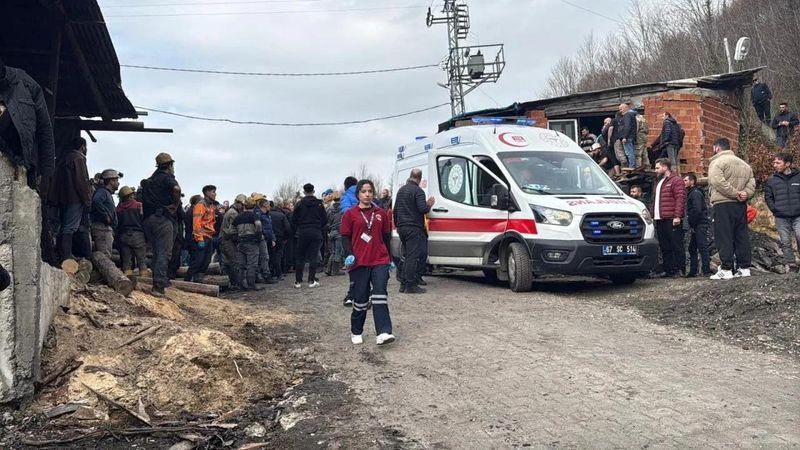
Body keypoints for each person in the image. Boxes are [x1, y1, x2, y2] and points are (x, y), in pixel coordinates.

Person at [341, 179, 395, 346]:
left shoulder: (380, 213)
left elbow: (386, 237)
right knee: (361, 299)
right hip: (359, 262)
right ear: (358, 194)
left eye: (370, 191)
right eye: (364, 191)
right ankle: (356, 330)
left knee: (379, 295)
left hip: (379, 260)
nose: (367, 194)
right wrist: (349, 254)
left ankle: (384, 332)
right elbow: (345, 237)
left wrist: (390, 258)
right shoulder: (350, 214)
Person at [707, 138, 755, 280]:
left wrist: (735, 193)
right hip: (740, 205)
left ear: (717, 148)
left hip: (722, 204)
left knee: (724, 236)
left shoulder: (717, 162)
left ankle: (727, 269)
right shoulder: (745, 164)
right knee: (741, 235)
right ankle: (744, 268)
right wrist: (744, 193)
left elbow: (717, 181)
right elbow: (752, 182)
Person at [141, 152, 182, 297]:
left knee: (157, 253)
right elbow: (176, 189)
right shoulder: (167, 178)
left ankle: (158, 281)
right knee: (163, 254)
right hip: (162, 220)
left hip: (148, 220)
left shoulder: (150, 180)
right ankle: (158, 287)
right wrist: (175, 205)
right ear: (170, 165)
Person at [48, 137, 91, 262]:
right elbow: (81, 181)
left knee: (64, 225)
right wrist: (86, 199)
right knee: (70, 227)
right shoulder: (78, 158)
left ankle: (64, 254)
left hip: (64, 198)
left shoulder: (65, 158)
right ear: (82, 146)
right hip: (75, 198)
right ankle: (66, 255)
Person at [394, 168, 435, 294]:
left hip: (402, 227)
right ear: (419, 178)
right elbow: (422, 209)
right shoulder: (418, 191)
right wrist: (429, 204)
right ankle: (410, 285)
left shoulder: (401, 191)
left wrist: (398, 225)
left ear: (410, 176)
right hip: (413, 227)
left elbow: (396, 210)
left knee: (406, 255)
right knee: (412, 257)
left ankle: (403, 283)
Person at [650, 158, 685, 277]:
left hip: (671, 218)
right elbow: (654, 200)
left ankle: (679, 269)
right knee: (665, 246)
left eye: (657, 168)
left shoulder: (676, 180)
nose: (656, 170)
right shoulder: (658, 181)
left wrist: (677, 216)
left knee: (676, 245)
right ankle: (668, 269)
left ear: (665, 167)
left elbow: (680, 198)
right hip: (660, 218)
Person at [765, 152, 800, 272]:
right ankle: (791, 265)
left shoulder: (798, 177)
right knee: (785, 241)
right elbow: (768, 197)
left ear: (788, 164)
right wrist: (775, 209)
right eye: (774, 162)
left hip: (798, 216)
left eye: (778, 162)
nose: (774, 165)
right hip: (781, 217)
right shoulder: (771, 180)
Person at [292, 183, 327, 288]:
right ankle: (311, 280)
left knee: (300, 256)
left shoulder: (299, 204)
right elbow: (324, 219)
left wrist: (300, 226)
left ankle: (298, 281)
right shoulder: (319, 204)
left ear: (304, 192)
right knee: (313, 256)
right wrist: (319, 226)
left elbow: (293, 219)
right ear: (313, 191)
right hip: (315, 231)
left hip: (303, 231)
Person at [185, 185, 217, 283]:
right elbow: (197, 223)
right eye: (213, 192)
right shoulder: (201, 205)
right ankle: (187, 280)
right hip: (202, 237)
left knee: (206, 261)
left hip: (208, 236)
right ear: (207, 193)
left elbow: (210, 221)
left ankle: (198, 280)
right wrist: (199, 238)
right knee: (198, 261)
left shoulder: (211, 205)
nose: (215, 194)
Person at [683, 173, 711, 277]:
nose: (684, 182)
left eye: (686, 180)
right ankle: (693, 271)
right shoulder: (692, 193)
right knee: (692, 248)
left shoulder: (695, 193)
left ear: (692, 181)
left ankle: (706, 270)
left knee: (702, 246)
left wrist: (692, 223)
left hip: (699, 223)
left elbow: (697, 209)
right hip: (697, 223)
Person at [116, 185, 148, 276]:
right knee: (141, 260)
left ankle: (128, 279)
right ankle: (144, 279)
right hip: (138, 234)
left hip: (123, 235)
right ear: (131, 195)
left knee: (126, 261)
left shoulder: (118, 209)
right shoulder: (139, 205)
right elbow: (143, 219)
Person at [233, 196, 263, 291]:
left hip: (241, 242)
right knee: (252, 264)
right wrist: (258, 238)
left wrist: (237, 239)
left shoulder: (238, 217)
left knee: (241, 265)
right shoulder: (254, 216)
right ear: (254, 206)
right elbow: (258, 226)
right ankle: (251, 285)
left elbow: (231, 231)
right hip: (251, 242)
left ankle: (240, 285)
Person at [90, 169, 121, 257]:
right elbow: (96, 201)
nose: (118, 183)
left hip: (105, 228)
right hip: (101, 228)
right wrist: (106, 216)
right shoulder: (102, 192)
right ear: (111, 181)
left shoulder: (106, 193)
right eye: (116, 180)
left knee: (106, 255)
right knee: (105, 256)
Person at [221, 194, 245, 290]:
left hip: (225, 239)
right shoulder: (233, 213)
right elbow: (232, 230)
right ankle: (235, 284)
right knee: (233, 262)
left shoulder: (231, 211)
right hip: (228, 240)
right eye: (242, 205)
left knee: (227, 262)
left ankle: (227, 283)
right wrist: (238, 240)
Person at [255, 194, 278, 284]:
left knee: (265, 257)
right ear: (264, 205)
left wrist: (272, 238)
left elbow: (270, 227)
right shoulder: (258, 214)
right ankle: (265, 276)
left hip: (267, 238)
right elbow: (260, 227)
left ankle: (264, 275)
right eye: (268, 205)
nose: (270, 207)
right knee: (264, 257)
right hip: (262, 239)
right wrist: (262, 235)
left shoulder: (267, 215)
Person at [269, 200, 291, 280]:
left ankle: (271, 272)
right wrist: (286, 238)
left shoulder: (267, 215)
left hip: (269, 237)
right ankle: (279, 273)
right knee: (278, 255)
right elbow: (288, 228)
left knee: (270, 255)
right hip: (280, 237)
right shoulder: (282, 215)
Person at [326, 191, 344, 278]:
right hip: (339, 232)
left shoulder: (329, 209)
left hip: (331, 232)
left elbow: (327, 222)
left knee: (332, 252)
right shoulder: (342, 209)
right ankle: (335, 270)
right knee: (338, 252)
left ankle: (328, 269)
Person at [618, 103, 638, 168]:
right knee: (631, 152)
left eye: (621, 109)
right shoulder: (631, 115)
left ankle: (632, 166)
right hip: (630, 137)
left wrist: (624, 137)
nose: (620, 110)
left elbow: (627, 126)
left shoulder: (627, 115)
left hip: (628, 137)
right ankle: (633, 165)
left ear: (626, 108)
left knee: (629, 153)